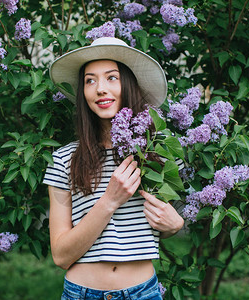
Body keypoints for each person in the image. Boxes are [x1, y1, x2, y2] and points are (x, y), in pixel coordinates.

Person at [43, 37, 184, 300]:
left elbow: (161, 221)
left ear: (128, 84)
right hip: (82, 293)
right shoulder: (63, 160)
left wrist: (174, 226)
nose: (100, 89)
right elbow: (61, 255)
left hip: (143, 293)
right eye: (90, 80)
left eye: (111, 78)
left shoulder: (159, 154)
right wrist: (109, 200)